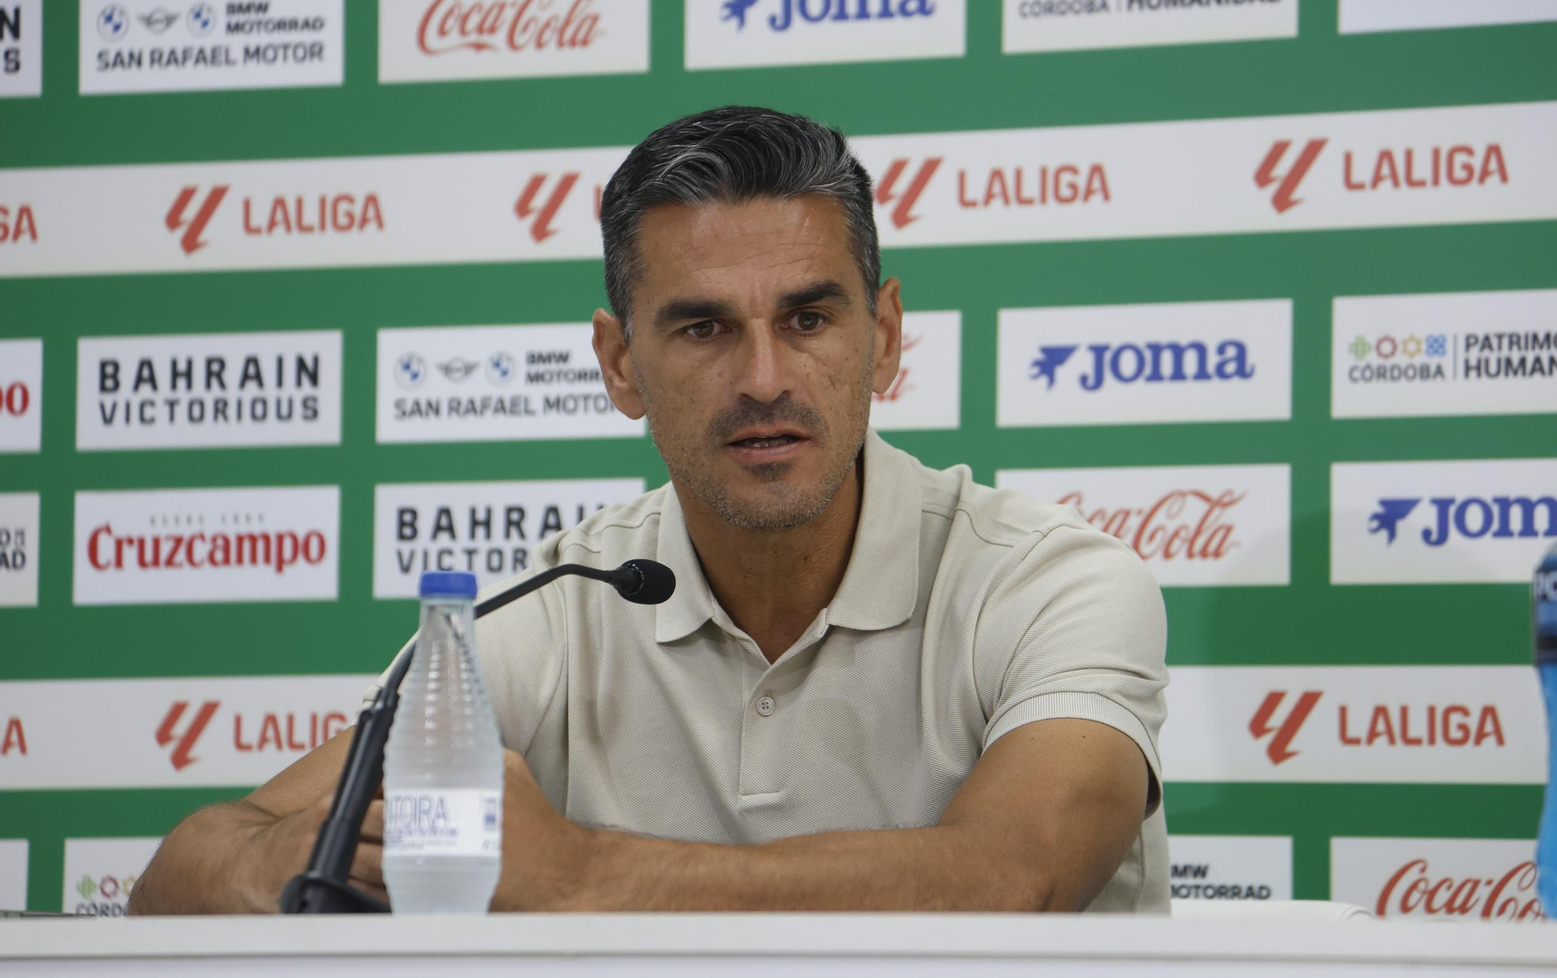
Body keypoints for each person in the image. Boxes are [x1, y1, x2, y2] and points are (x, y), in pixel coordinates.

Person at [129, 105, 1170, 915]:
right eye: (704, 329)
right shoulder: (554, 603)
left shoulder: (1052, 582)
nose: (765, 377)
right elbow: (184, 873)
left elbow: (1012, 875)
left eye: (808, 318)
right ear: (621, 363)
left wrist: (575, 873)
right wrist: (304, 856)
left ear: (884, 336)